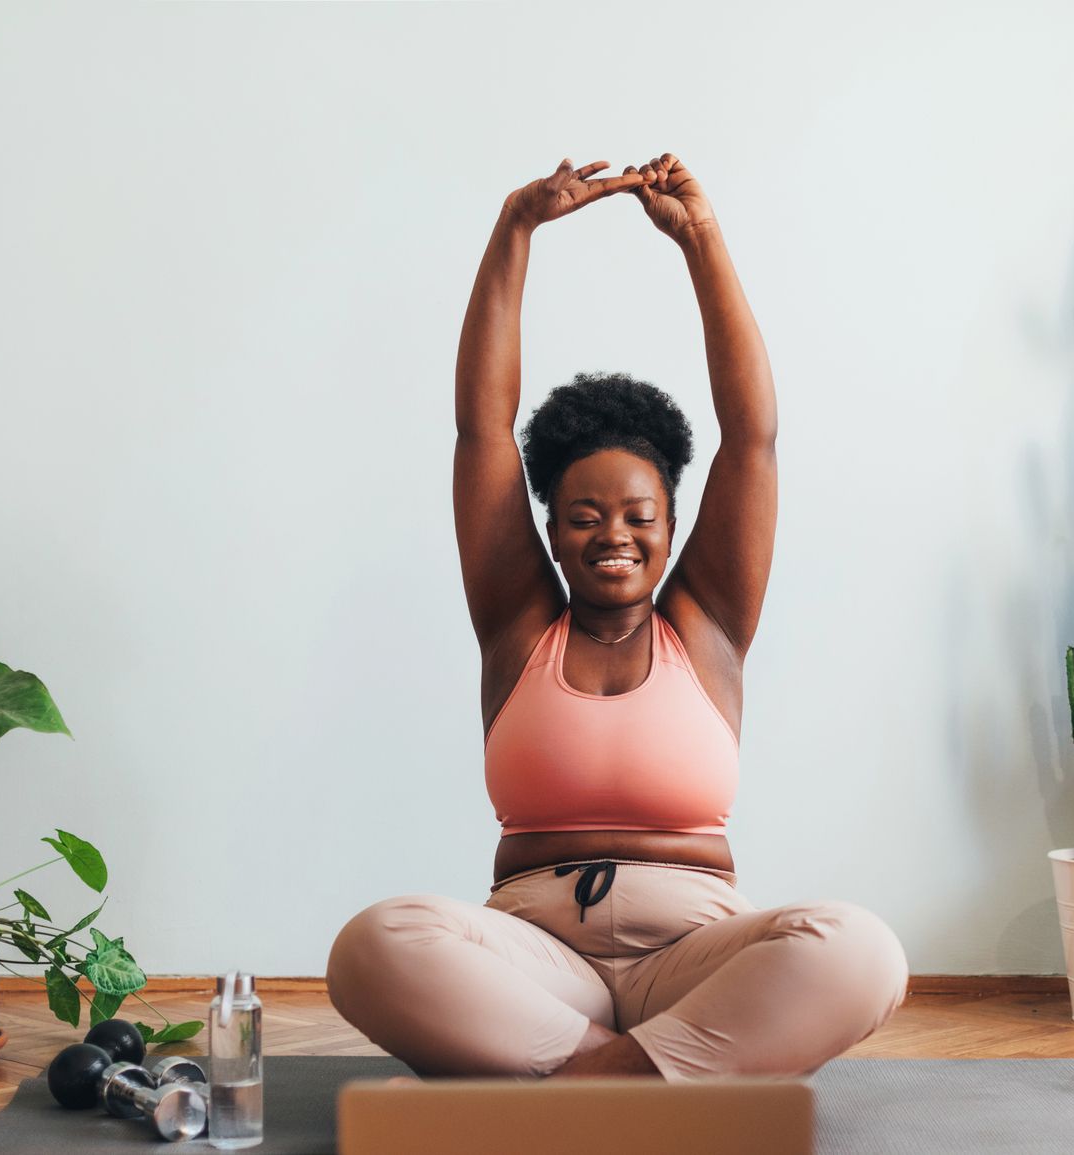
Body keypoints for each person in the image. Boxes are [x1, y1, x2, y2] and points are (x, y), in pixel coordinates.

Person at [326, 154, 908, 1081]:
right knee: (376, 942)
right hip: (536, 961)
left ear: (674, 528)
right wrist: (513, 232)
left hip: (695, 958)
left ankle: (579, 1085)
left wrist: (703, 245)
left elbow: (750, 434)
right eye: (585, 516)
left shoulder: (707, 627)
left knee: (859, 947)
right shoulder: (517, 625)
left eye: (640, 518)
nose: (615, 537)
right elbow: (483, 427)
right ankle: (643, 1082)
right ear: (549, 530)